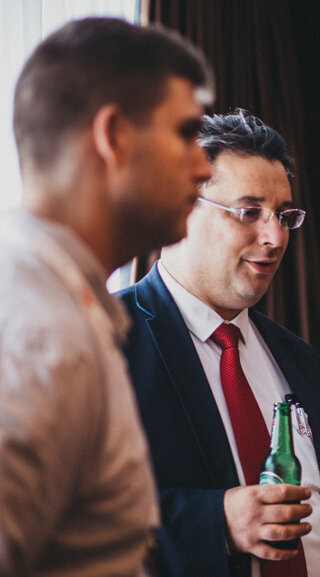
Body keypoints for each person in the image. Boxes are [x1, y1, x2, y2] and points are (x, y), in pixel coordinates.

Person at [0, 17, 213, 577]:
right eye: (187, 133)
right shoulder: (41, 336)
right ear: (113, 136)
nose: (204, 165)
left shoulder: (65, 306)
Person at [116, 110, 320, 577]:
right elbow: (57, 517)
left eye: (285, 215)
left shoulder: (297, 358)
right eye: (249, 212)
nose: (275, 237)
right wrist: (216, 523)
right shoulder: (109, 340)